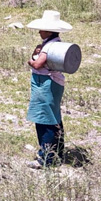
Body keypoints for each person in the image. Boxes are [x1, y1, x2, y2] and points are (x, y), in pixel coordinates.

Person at [25, 10, 73, 169]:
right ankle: (57, 151)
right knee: (54, 117)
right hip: (54, 84)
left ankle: (46, 157)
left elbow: (38, 64)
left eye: (42, 29)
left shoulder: (49, 46)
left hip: (45, 84)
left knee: (44, 119)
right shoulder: (55, 43)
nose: (39, 31)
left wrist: (31, 61)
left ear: (49, 30)